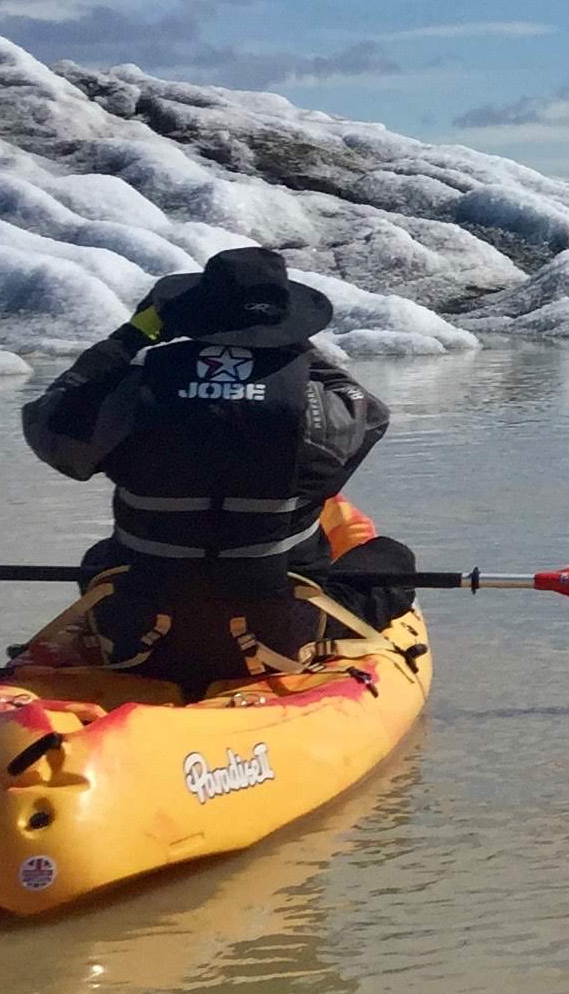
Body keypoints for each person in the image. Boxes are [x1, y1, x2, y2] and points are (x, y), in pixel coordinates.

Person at [21, 245, 415, 693]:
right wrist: (290, 350)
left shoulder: (132, 391)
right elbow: (370, 417)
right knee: (393, 560)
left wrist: (132, 335)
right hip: (275, 635)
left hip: (141, 633)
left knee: (100, 559)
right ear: (285, 326)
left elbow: (49, 420)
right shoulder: (316, 406)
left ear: (191, 316)